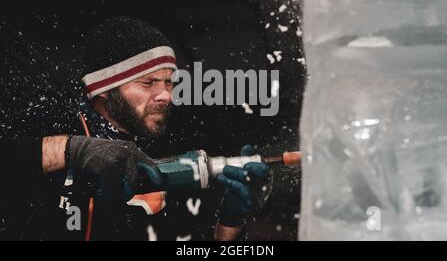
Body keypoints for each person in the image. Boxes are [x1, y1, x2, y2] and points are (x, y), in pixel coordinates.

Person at [0, 16, 272, 240]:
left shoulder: (162, 158)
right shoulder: (54, 122)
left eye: (169, 83)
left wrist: (230, 224)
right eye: (147, 83)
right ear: (104, 89)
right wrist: (75, 150)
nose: (166, 95)